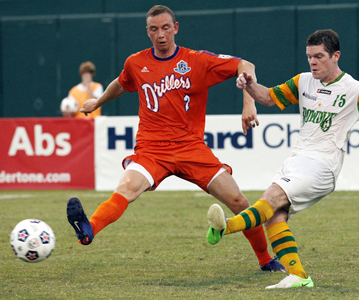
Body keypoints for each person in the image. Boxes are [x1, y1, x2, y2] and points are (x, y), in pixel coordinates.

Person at [66, 5, 285, 273]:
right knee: (126, 189)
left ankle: (266, 260)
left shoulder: (197, 60)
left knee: (239, 201)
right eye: (155, 29)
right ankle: (89, 230)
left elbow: (245, 65)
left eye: (166, 28)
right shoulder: (136, 62)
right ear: (147, 32)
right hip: (152, 149)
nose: (161, 34)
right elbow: (121, 84)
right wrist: (98, 101)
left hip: (191, 148)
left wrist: (248, 102)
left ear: (176, 28)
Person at [206, 29, 359, 289]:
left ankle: (225, 227)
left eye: (319, 56)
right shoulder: (304, 81)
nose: (313, 62)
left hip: (323, 166)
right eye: (309, 57)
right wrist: (249, 85)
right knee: (275, 215)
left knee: (271, 197)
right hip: (297, 159)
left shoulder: (355, 90)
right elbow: (267, 98)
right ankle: (298, 275)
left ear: (336, 56)